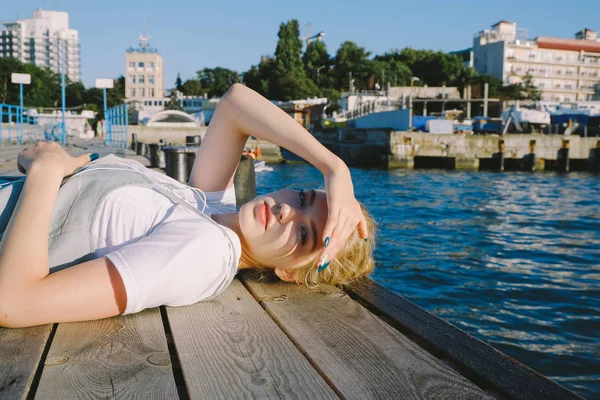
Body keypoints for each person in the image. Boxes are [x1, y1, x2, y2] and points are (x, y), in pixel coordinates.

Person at [0, 84, 375, 329]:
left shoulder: (207, 252)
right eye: (304, 198)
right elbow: (234, 104)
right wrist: (333, 168)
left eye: (305, 233)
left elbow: (15, 303)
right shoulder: (208, 206)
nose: (286, 211)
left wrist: (46, 173)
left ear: (290, 273)